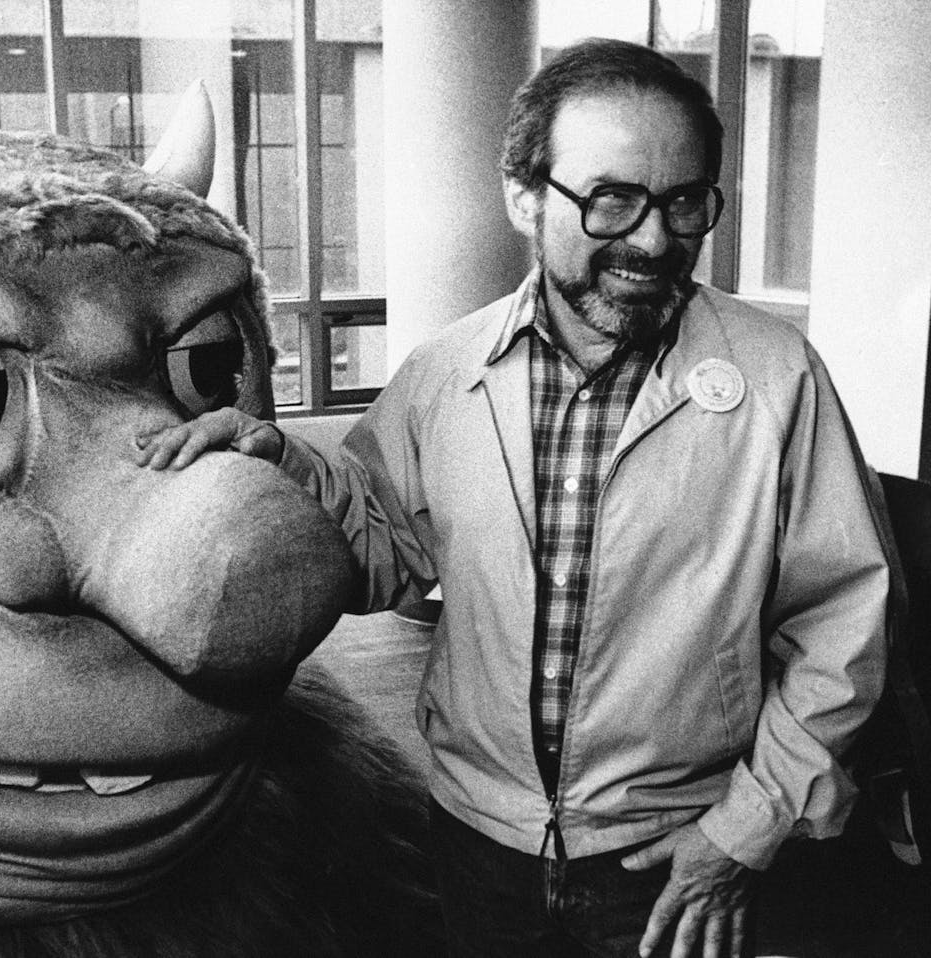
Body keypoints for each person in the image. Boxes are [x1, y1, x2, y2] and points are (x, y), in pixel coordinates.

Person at [136, 38, 889, 958]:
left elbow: (846, 630)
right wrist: (280, 465)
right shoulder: (444, 375)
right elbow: (380, 560)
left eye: (685, 202)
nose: (654, 240)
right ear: (525, 196)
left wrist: (743, 831)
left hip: (673, 862)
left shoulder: (777, 380)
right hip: (475, 844)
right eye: (612, 199)